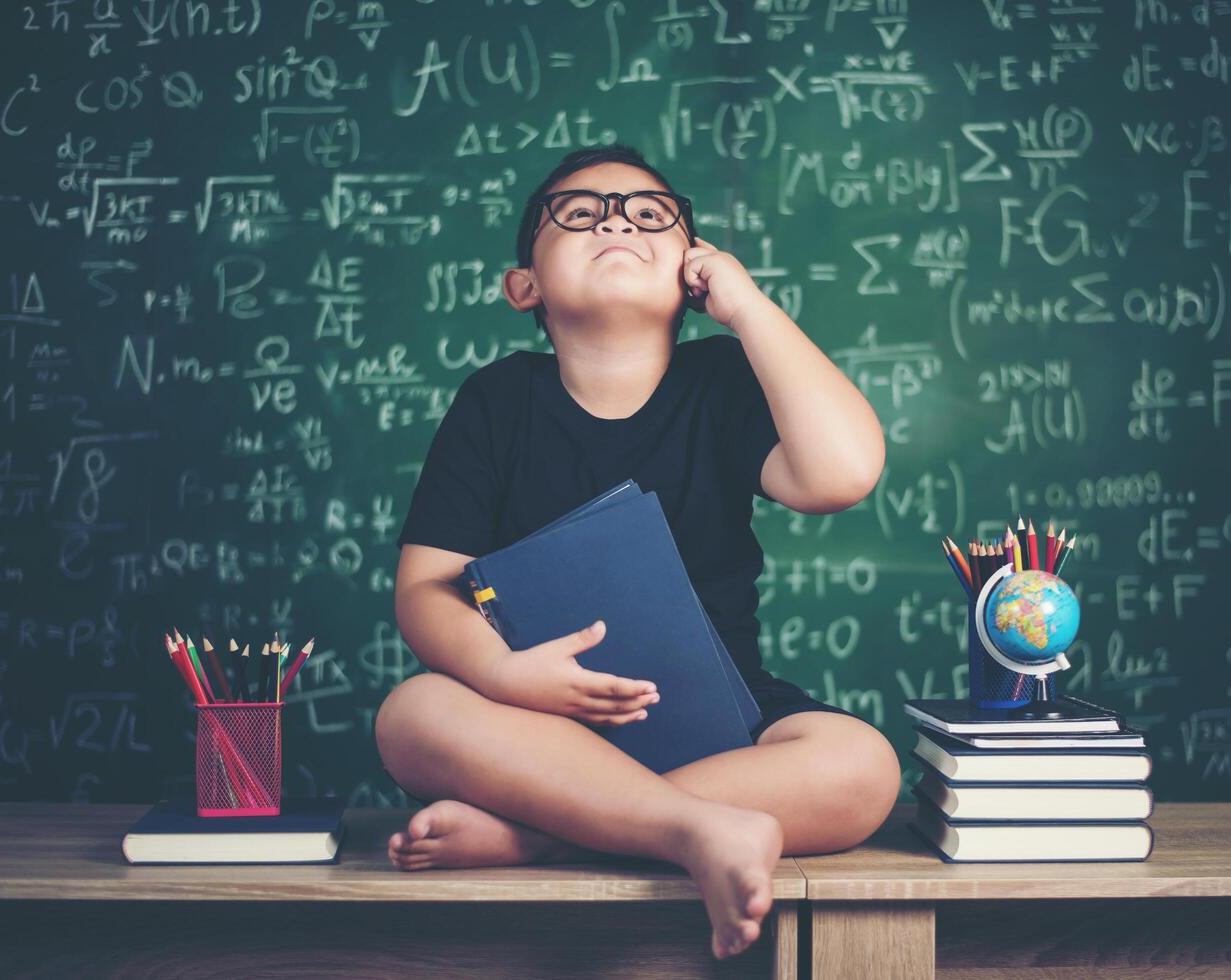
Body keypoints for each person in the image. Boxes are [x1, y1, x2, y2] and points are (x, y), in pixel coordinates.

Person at [375, 144, 899, 961]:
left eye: (650, 215)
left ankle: (544, 835)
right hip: (536, 725)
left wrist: (750, 308)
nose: (616, 220)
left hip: (722, 730)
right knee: (412, 714)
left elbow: (842, 473)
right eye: (579, 213)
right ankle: (692, 830)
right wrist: (503, 674)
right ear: (526, 288)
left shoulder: (721, 379)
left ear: (693, 271)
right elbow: (426, 588)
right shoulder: (497, 399)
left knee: (862, 768)